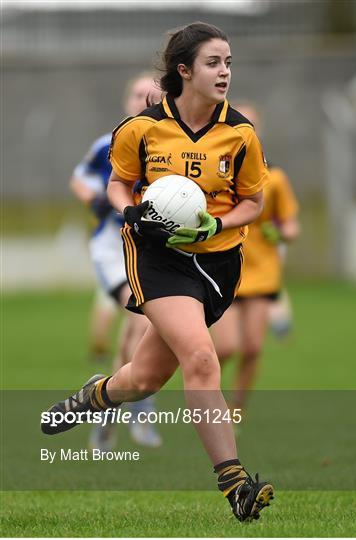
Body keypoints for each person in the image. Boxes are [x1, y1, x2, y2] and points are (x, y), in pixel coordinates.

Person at [42, 22, 274, 522]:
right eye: (214, 63)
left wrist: (217, 221)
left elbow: (254, 202)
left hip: (217, 264)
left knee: (144, 379)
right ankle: (235, 483)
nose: (225, 72)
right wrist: (130, 213)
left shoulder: (241, 134)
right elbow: (118, 185)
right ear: (184, 70)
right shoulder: (141, 129)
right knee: (201, 357)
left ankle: (93, 395)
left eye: (229, 63)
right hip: (157, 258)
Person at [69, 72, 163, 449]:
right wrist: (93, 199)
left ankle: (107, 401)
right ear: (126, 99)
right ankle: (138, 412)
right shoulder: (107, 143)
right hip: (112, 249)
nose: (143, 98)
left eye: (150, 93)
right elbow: (79, 177)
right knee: (140, 318)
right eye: (137, 92)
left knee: (140, 330)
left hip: (153, 251)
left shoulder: (168, 144)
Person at [211, 102, 300, 416]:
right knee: (223, 347)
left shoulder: (274, 178)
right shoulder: (216, 171)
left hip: (262, 271)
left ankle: (236, 408)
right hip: (222, 267)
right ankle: (205, 397)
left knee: (252, 347)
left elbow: (290, 222)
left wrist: (284, 233)